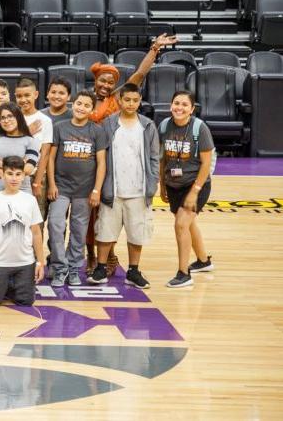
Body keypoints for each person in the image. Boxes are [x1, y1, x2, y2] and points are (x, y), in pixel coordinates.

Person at [88, 84, 160, 289]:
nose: (131, 104)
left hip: (139, 190)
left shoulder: (147, 125)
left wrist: (153, 182)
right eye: (127, 99)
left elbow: (155, 157)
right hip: (113, 189)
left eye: (135, 100)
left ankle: (133, 270)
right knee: (105, 231)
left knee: (137, 232)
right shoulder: (109, 123)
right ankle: (101, 267)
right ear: (119, 100)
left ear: (140, 101)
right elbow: (100, 154)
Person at [46, 90, 108, 287]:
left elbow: (101, 163)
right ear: (73, 104)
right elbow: (51, 158)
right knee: (55, 225)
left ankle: (73, 269)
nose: (82, 108)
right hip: (61, 188)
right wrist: (52, 184)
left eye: (87, 105)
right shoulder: (60, 127)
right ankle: (59, 268)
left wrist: (96, 190)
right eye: (79, 103)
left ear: (92, 109)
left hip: (85, 191)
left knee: (79, 231)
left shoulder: (97, 131)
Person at [159, 90, 215, 288]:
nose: (179, 107)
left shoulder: (200, 128)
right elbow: (162, 158)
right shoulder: (164, 126)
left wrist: (195, 191)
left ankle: (184, 273)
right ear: (170, 105)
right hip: (173, 184)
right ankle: (203, 260)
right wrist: (162, 184)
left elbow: (206, 164)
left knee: (181, 225)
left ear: (192, 109)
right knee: (189, 225)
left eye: (184, 105)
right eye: (176, 103)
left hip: (196, 184)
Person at [0, 156, 46, 307]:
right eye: (9, 173)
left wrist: (40, 262)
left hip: (25, 261)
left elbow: (36, 233)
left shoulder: (30, 200)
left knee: (26, 301)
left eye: (18, 174)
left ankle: (9, 285)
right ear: (2, 174)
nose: (14, 178)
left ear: (23, 176)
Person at [90, 34, 178, 124]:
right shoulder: (84, 98)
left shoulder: (116, 98)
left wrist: (155, 47)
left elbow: (140, 74)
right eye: (103, 81)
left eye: (111, 82)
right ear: (96, 80)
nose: (106, 85)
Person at [0, 103, 39, 197]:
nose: (6, 120)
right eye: (2, 118)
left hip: (21, 192)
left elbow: (28, 169)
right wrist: (17, 169)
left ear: (18, 117)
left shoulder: (30, 141)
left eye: (10, 116)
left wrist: (0, 164)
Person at [14, 78, 53, 216]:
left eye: (27, 95)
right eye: (19, 96)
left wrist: (37, 182)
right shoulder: (11, 118)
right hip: (14, 174)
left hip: (36, 174)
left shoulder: (45, 121)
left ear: (35, 95)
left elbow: (45, 153)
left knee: (37, 218)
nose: (23, 99)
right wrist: (26, 132)